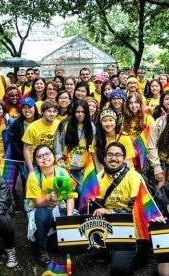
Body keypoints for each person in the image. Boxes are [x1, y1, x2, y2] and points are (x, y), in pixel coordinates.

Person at [86, 142, 146, 275]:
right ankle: (112, 249)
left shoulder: (134, 177)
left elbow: (137, 210)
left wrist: (111, 212)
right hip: (111, 224)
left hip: (132, 227)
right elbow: (99, 204)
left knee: (119, 268)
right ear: (105, 158)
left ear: (124, 159)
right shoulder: (99, 176)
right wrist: (93, 202)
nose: (114, 158)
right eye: (110, 155)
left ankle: (142, 253)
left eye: (118, 155)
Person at [25, 145, 75, 267]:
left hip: (59, 207)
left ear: (53, 156)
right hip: (40, 208)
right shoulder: (33, 177)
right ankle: (40, 248)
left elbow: (70, 196)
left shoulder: (62, 172)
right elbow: (37, 203)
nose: (44, 158)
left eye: (47, 154)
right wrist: (47, 198)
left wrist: (69, 218)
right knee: (43, 215)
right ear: (36, 160)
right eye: (40, 156)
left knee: (66, 219)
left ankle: (53, 239)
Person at [54, 100, 96, 189]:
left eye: (83, 112)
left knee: (81, 192)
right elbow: (57, 145)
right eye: (77, 112)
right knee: (66, 192)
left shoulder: (91, 126)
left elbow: (92, 148)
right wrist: (61, 165)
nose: (80, 114)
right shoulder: (64, 124)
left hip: (81, 168)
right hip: (64, 166)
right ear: (73, 112)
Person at [10, 97, 40, 207]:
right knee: (27, 179)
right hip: (24, 158)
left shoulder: (41, 120)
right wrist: (22, 157)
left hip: (40, 156)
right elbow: (14, 142)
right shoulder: (17, 124)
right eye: (24, 108)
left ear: (35, 108)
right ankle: (28, 202)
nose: (27, 110)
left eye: (30, 107)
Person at [22, 99, 61, 173]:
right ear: (43, 112)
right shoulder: (32, 127)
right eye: (49, 111)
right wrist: (31, 169)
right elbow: (26, 149)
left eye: (54, 111)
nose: (52, 114)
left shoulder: (59, 124)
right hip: (36, 162)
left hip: (53, 162)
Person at [93, 108, 135, 173]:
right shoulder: (97, 138)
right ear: (101, 123)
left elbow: (128, 162)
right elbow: (97, 161)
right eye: (104, 121)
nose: (108, 124)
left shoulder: (124, 137)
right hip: (105, 174)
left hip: (123, 174)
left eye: (110, 120)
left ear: (115, 121)